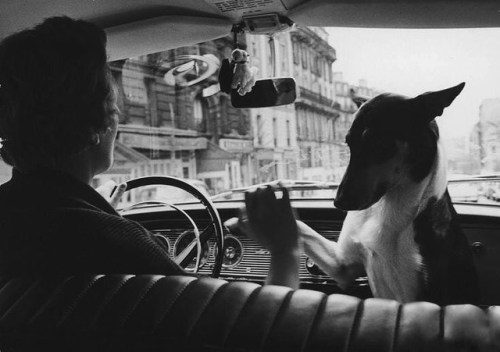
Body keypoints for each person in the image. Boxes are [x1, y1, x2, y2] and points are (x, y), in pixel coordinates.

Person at [0, 16, 185, 276]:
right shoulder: (121, 245)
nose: (118, 112)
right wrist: (265, 239)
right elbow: (228, 316)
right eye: (113, 103)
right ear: (97, 123)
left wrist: (98, 209)